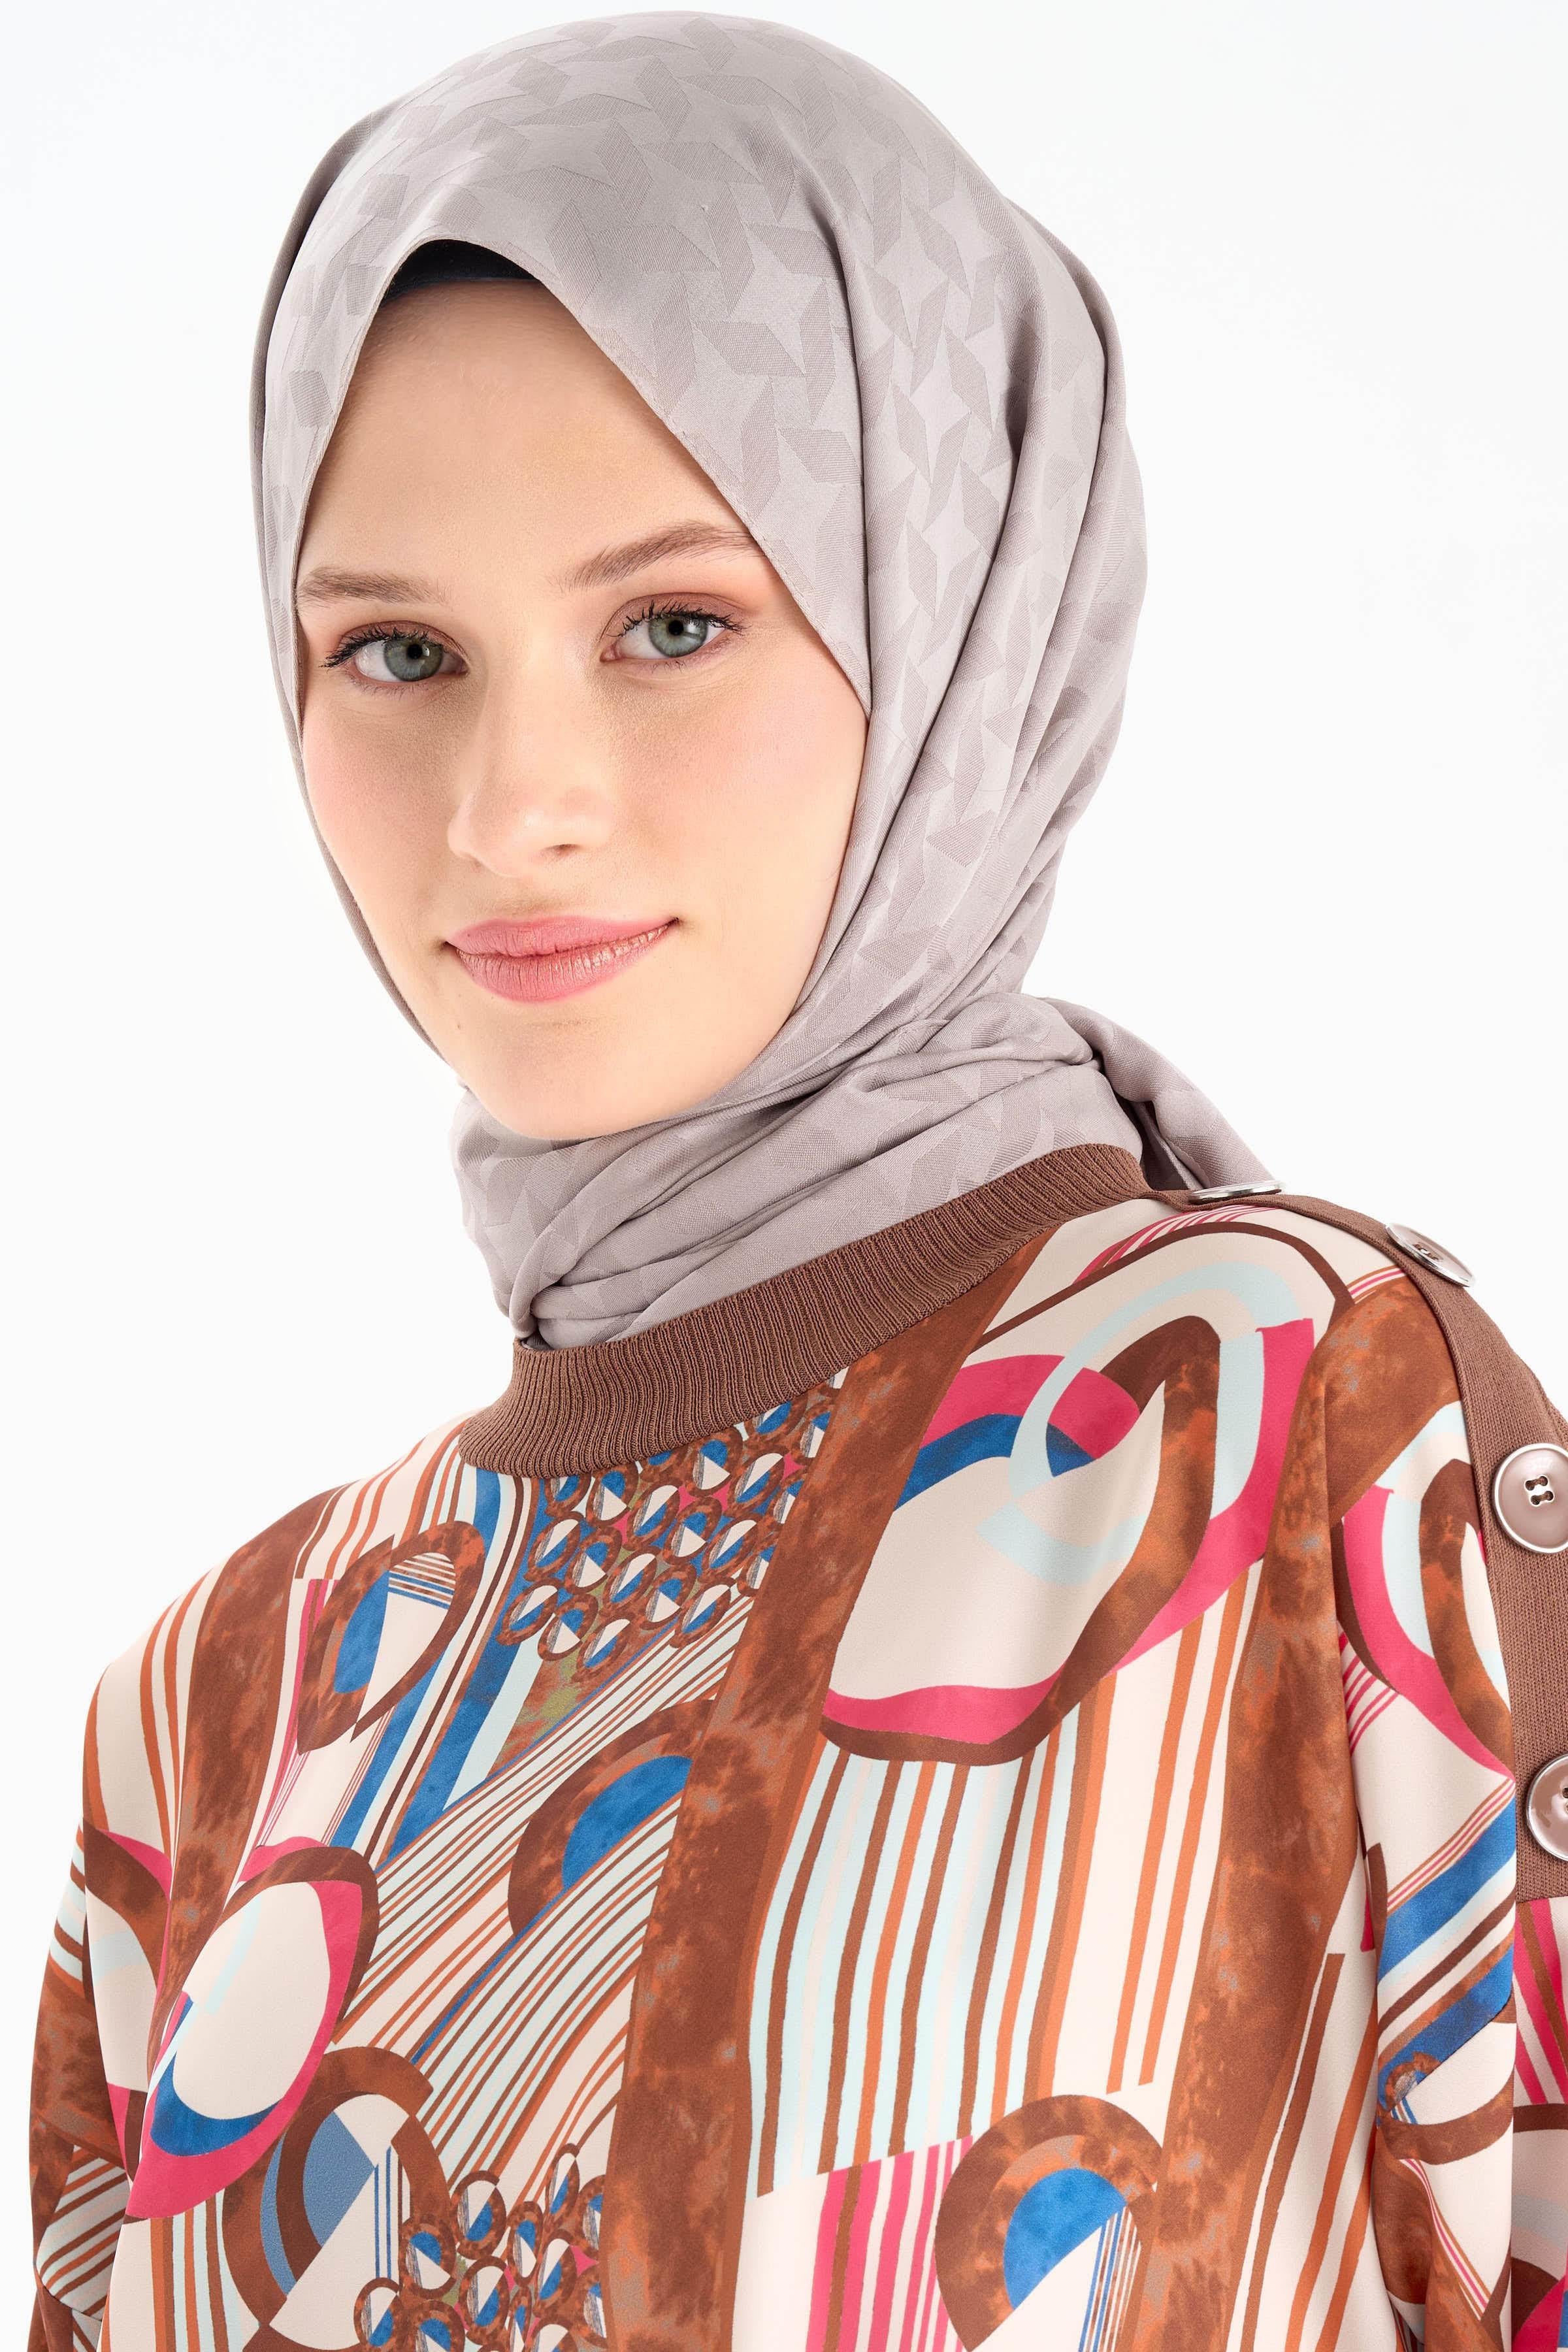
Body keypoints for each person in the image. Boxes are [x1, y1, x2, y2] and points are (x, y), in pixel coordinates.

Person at [27, 16, 1568, 2349]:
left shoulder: (1316, 1427)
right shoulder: (214, 1704)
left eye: (672, 625)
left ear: (963, 614)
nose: (510, 806)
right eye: (398, 652)